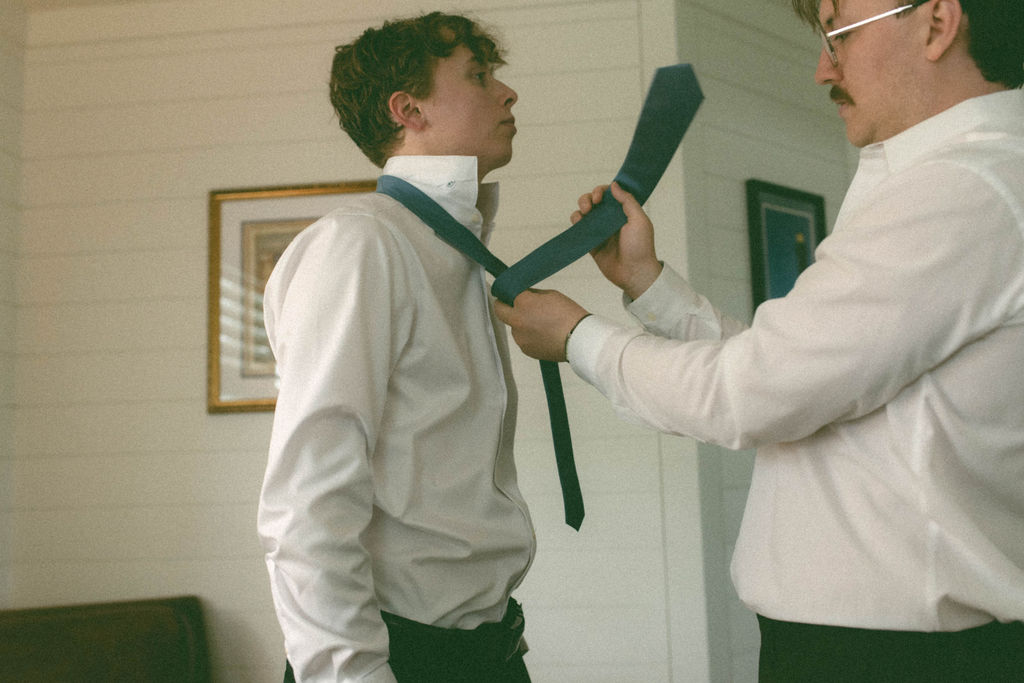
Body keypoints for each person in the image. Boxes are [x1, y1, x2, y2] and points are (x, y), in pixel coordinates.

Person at [495, 0, 1024, 680]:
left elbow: (751, 392)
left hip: (899, 657)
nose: (821, 67)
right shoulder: (949, 180)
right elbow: (800, 376)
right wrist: (648, 284)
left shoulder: (961, 188)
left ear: (937, 23)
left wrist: (576, 337)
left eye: (838, 32)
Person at [257, 12, 535, 682]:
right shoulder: (361, 247)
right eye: (479, 75)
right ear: (407, 109)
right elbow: (309, 499)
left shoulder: (454, 249)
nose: (507, 92)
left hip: (486, 653)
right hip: (397, 660)